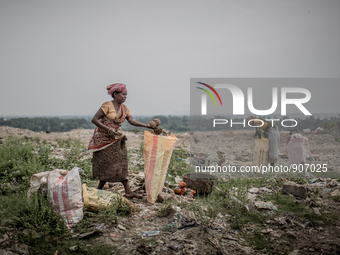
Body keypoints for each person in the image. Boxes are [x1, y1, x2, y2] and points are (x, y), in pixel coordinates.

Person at [88, 83, 154, 198]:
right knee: (105, 164)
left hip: (117, 139)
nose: (125, 97)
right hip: (103, 140)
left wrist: (146, 125)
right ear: (115, 94)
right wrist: (108, 129)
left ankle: (127, 191)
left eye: (126, 95)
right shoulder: (107, 105)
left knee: (121, 164)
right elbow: (95, 119)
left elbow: (131, 120)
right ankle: (100, 189)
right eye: (123, 94)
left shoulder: (124, 108)